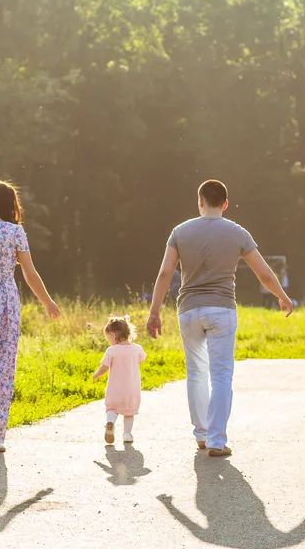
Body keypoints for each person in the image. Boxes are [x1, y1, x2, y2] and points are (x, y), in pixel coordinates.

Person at [146, 179, 293, 457]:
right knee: (221, 375)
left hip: (188, 310)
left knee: (196, 373)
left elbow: (165, 273)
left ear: (200, 201)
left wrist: (154, 312)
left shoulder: (180, 231)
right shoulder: (237, 233)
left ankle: (201, 435)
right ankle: (216, 440)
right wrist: (282, 295)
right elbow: (263, 273)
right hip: (222, 310)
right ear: (225, 204)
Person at [0, 180, 60, 453]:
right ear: (10, 204)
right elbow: (29, 273)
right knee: (1, 367)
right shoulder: (14, 232)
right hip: (4, 299)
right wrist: (48, 302)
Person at [92, 315, 146, 444]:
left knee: (112, 409)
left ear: (113, 335)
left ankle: (110, 422)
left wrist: (96, 375)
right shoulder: (137, 349)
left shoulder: (111, 350)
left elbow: (104, 367)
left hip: (114, 390)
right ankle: (127, 434)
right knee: (129, 413)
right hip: (131, 390)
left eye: (108, 338)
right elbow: (142, 359)